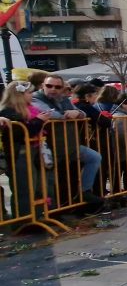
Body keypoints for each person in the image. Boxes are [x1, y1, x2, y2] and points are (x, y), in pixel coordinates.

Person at [32, 75, 103, 206]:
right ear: (43, 86)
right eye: (49, 86)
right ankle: (52, 209)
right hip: (48, 147)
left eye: (57, 87)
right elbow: (49, 114)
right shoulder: (35, 98)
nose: (53, 89)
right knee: (50, 180)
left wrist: (77, 114)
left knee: (94, 157)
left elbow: (81, 113)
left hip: (69, 145)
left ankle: (84, 191)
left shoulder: (64, 99)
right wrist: (68, 114)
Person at [0, 80, 49, 217]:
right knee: (25, 187)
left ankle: (36, 216)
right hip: (19, 152)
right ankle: (24, 219)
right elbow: (21, 132)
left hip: (33, 150)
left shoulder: (28, 109)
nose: (32, 95)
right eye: (29, 92)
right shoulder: (8, 112)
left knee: (37, 186)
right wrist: (39, 120)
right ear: (19, 95)